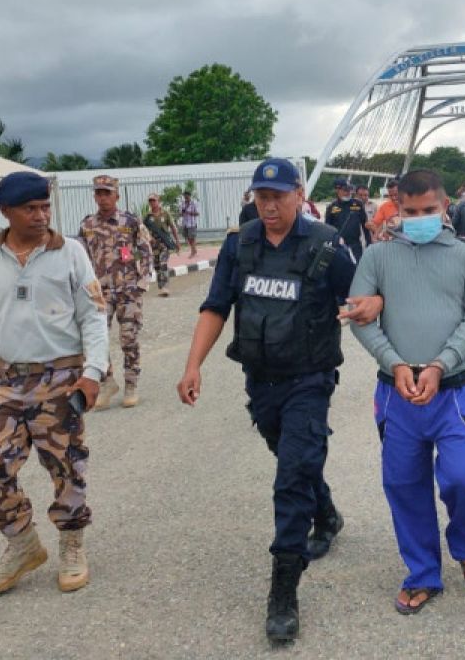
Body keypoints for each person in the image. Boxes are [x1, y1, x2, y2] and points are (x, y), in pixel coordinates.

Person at [176, 158, 357, 643]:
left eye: (279, 195)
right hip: (261, 381)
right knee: (293, 460)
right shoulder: (241, 244)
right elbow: (217, 305)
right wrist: (193, 366)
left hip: (310, 379)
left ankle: (283, 590)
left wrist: (375, 309)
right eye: (262, 196)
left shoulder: (326, 244)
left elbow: (361, 296)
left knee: (291, 475)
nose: (270, 204)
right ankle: (328, 514)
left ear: (299, 194)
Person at [350, 169, 465, 616]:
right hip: (397, 392)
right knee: (403, 484)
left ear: (445, 206)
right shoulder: (377, 258)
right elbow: (360, 317)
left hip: (452, 391)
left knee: (463, 477)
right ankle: (422, 573)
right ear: (397, 208)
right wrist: (394, 363)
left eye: (428, 210)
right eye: (410, 212)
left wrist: (439, 364)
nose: (419, 219)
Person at [0, 171, 108, 596]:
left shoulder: (71, 253)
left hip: (60, 376)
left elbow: (92, 315)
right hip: (6, 378)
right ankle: (23, 544)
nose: (42, 216)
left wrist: (93, 371)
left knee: (65, 465)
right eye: (31, 209)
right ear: (5, 212)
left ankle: (72, 542)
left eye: (45, 207)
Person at [78, 175, 153, 410]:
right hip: (100, 292)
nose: (102, 198)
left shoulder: (130, 222)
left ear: (116, 196)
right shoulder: (88, 225)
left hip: (128, 291)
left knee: (128, 339)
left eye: (107, 193)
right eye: (98, 193)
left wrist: (142, 282)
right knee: (95, 339)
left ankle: (131, 384)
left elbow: (145, 251)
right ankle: (107, 381)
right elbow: (80, 259)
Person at [144, 194, 180, 298]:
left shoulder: (165, 214)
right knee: (157, 267)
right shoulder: (147, 217)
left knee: (163, 263)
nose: (152, 203)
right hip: (154, 245)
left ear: (158, 201)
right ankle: (161, 286)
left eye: (154, 200)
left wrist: (177, 242)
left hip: (164, 243)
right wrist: (149, 237)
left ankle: (165, 287)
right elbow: (143, 230)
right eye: (150, 201)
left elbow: (173, 228)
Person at [325, 178, 369, 261]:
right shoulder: (331, 207)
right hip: (339, 247)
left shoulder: (358, 204)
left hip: (356, 246)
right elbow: (328, 229)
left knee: (356, 271)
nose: (348, 192)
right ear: (337, 190)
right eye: (345, 190)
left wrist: (369, 244)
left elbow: (365, 226)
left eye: (350, 189)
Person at [180, 190, 200, 257]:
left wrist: (189, 212)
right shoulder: (182, 203)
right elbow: (181, 213)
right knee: (187, 237)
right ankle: (194, 250)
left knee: (192, 238)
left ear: (189, 196)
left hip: (192, 223)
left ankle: (193, 251)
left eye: (186, 195)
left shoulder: (194, 203)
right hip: (185, 223)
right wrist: (181, 213)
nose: (185, 197)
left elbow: (197, 213)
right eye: (184, 196)